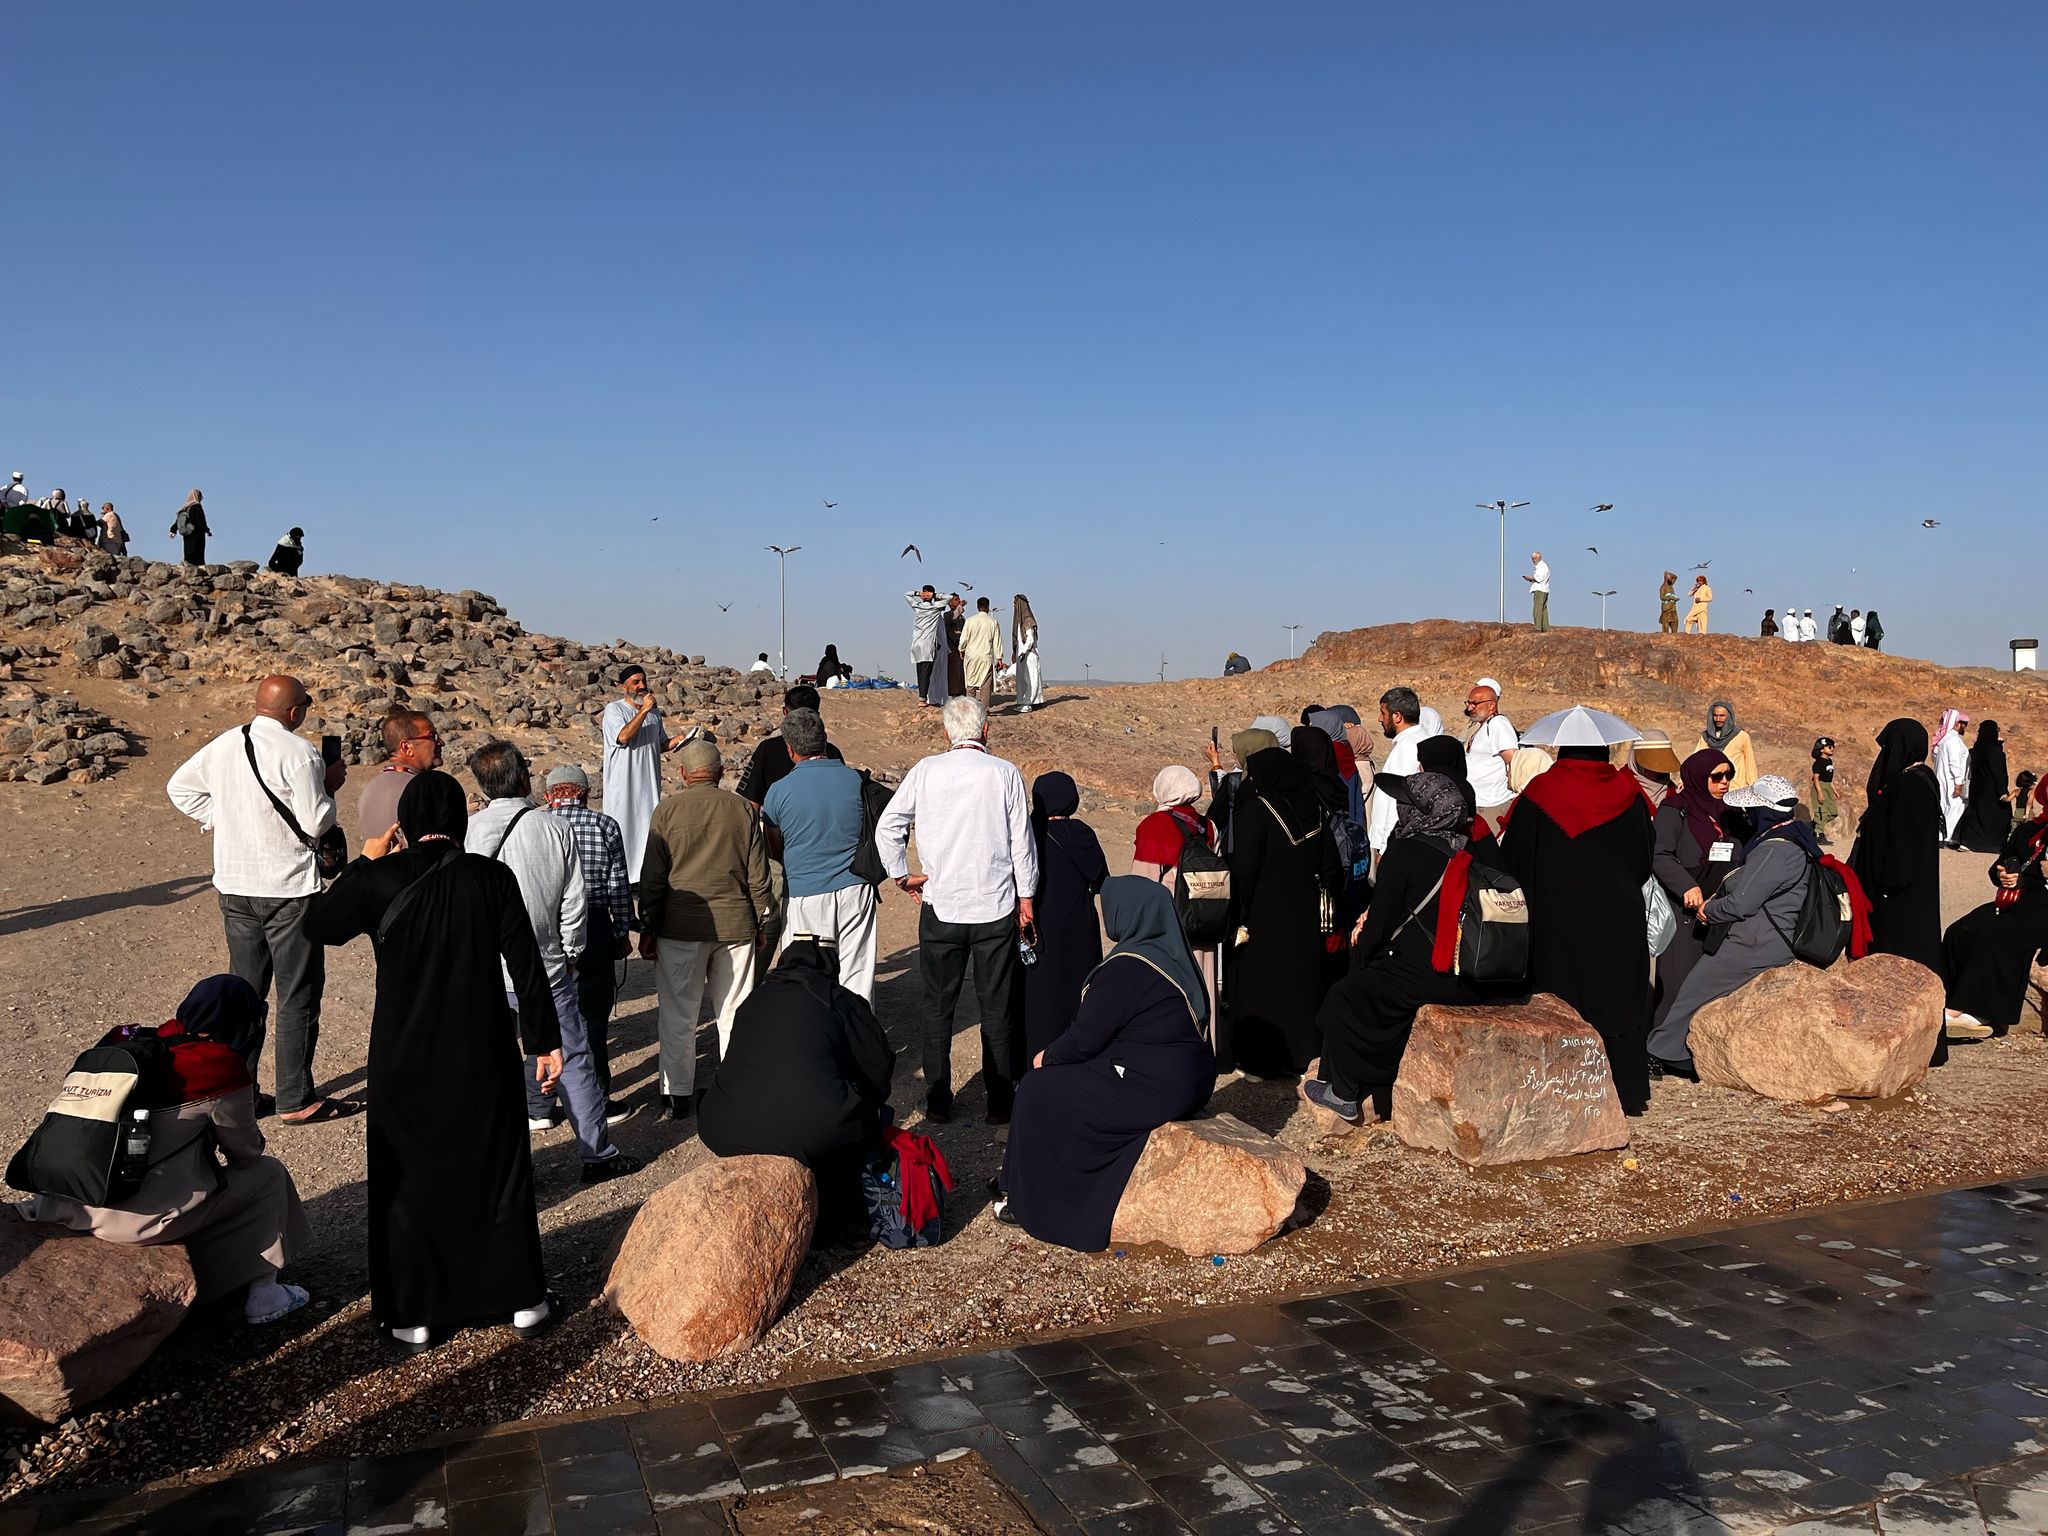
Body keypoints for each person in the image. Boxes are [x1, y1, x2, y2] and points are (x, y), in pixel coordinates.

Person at [305, 771, 568, 1347]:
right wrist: (544, 1042)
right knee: (496, 1168)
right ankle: (520, 1298)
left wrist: (367, 862)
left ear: (410, 822)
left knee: (409, 1176)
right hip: (484, 1047)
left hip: (404, 1052)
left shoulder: (380, 881)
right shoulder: (490, 877)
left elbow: (318, 925)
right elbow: (526, 965)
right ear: (458, 820)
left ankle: (414, 1312)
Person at [27, 975, 313, 1324]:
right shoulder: (216, 1065)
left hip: (63, 1198)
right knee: (267, 1175)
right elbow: (246, 1153)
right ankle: (263, 1294)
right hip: (129, 1223)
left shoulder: (129, 1043)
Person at [166, 675, 351, 1125]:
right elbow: (316, 822)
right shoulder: (300, 752)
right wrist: (328, 785)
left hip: (236, 884)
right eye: (304, 704)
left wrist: (224, 819)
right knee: (297, 994)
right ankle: (295, 1098)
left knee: (243, 995)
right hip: (287, 888)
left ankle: (238, 1095)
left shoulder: (225, 743)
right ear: (294, 712)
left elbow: (180, 789)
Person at [997, 878, 1214, 1253]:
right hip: (1190, 1078)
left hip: (1154, 1084)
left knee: (1037, 1088)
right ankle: (1016, 1175)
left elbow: (1083, 1039)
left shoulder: (1129, 968)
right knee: (1067, 1082)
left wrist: (1044, 1059)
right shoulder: (1171, 956)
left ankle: (1030, 1198)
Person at [466, 742, 637, 1178]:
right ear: (523, 778)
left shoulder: (470, 831)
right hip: (546, 967)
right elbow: (573, 903)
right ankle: (596, 1154)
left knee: (489, 1063)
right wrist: (571, 953)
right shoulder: (554, 829)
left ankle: (501, 1165)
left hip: (487, 972)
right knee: (572, 1056)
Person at [875, 696, 1036, 1122]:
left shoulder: (926, 770)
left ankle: (939, 1097)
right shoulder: (1005, 774)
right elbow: (1022, 842)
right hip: (994, 907)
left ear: (947, 733)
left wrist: (900, 874)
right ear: (986, 730)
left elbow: (888, 825)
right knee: (996, 1007)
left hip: (942, 906)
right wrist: (1027, 897)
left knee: (938, 1005)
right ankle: (1000, 1102)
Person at [1303, 772, 1484, 1122]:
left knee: (1346, 994)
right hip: (1464, 972)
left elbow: (1381, 924)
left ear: (1422, 811)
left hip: (1424, 970)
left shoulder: (1407, 850)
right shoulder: (1465, 847)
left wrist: (1363, 953)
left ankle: (1344, 1093)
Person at [698, 937, 895, 1242]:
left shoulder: (753, 1000)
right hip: (809, 1131)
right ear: (831, 968)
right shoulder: (839, 999)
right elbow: (879, 1068)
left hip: (723, 1127)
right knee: (857, 1124)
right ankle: (832, 1219)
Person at [1503, 738, 1655, 1114]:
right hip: (1617, 912)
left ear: (1563, 751)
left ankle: (1566, 1088)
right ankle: (1625, 1091)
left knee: (1563, 994)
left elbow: (1515, 858)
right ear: (1603, 752)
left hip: (1556, 912)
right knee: (1616, 994)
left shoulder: (1541, 792)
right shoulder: (1628, 793)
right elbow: (1643, 860)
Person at [639, 739, 774, 1117]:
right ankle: (736, 1091)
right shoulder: (742, 810)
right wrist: (760, 918)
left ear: (682, 774)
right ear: (721, 773)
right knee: (734, 1012)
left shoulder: (666, 811)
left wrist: (648, 924)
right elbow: (758, 875)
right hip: (735, 924)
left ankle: (676, 1096)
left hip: (678, 927)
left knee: (678, 1015)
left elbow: (653, 879)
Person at [1654, 777, 1817, 1074]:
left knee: (1694, 988)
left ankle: (1661, 1050)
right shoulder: (1795, 836)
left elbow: (1742, 903)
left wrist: (1708, 911)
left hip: (1755, 943)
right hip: (1769, 936)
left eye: (1751, 809)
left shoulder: (1774, 850)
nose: (1746, 815)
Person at [1224, 742, 1340, 1078]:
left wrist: (1238, 913)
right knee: (1302, 981)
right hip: (1303, 912)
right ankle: (1303, 1054)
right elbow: (1331, 866)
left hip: (1265, 911)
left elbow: (1245, 869)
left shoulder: (1258, 810)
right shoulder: (1314, 809)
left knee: (1263, 984)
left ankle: (1260, 1060)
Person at [761, 708, 878, 1001]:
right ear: (824, 741)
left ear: (790, 749)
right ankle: (858, 1039)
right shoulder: (855, 780)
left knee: (805, 976)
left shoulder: (778, 791)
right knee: (857, 974)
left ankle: (811, 1039)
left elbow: (774, 848)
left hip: (804, 893)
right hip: (856, 887)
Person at [541, 764, 633, 1120]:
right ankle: (597, 1099)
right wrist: (622, 931)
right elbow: (618, 886)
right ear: (586, 794)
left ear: (550, 795)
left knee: (546, 1012)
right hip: (592, 922)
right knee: (593, 1013)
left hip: (545, 924)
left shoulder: (538, 823)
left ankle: (543, 1103)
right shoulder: (605, 825)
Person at [1645, 749, 1746, 1060]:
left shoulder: (1731, 812)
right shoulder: (1675, 809)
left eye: (1728, 775)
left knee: (1710, 982)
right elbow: (1659, 854)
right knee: (1677, 980)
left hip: (1720, 903)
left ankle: (1700, 1051)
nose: (1725, 782)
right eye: (1717, 777)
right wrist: (1686, 886)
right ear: (1699, 777)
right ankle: (1659, 1049)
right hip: (1685, 905)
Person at [1941, 778, 2048, 1038]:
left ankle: (1979, 1012)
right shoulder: (2029, 831)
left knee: (1998, 936)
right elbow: (2002, 862)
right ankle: (1946, 997)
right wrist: (2004, 874)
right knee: (1961, 930)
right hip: (2020, 900)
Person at [1022, 771, 1108, 1060]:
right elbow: (1100, 878)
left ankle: (1035, 1058)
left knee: (1038, 994)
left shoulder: (1027, 833)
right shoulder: (1082, 834)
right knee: (1078, 989)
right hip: (1077, 923)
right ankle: (1077, 1053)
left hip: (1036, 923)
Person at [1850, 719, 1944, 973]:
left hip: (1895, 893)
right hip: (1900, 887)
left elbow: (1904, 842)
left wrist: (1888, 882)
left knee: (1895, 952)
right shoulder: (1916, 779)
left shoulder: (1909, 786)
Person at [1132, 765, 1217, 1031]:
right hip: (1204, 913)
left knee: (1168, 985)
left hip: (1168, 918)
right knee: (1203, 981)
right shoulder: (1208, 825)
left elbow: (1142, 884)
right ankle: (1206, 1047)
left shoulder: (1154, 825)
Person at [599, 664, 687, 884]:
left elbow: (658, 744)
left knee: (648, 829)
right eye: (635, 682)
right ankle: (622, 880)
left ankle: (644, 878)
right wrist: (645, 710)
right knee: (624, 829)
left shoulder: (654, 713)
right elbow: (624, 737)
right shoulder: (615, 710)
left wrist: (676, 742)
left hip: (648, 785)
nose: (642, 686)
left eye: (643, 681)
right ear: (623, 687)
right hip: (623, 786)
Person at [737, 684, 845, 805]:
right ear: (817, 715)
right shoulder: (832, 752)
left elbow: (751, 801)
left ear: (785, 712)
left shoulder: (768, 749)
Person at [356, 710, 441, 848]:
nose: (440, 742)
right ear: (407, 747)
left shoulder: (370, 787)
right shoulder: (421, 789)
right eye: (433, 736)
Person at [1366, 686, 1427, 860]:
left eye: (1383, 713)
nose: (1380, 719)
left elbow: (1396, 800)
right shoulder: (1415, 741)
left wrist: (1385, 847)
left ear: (1397, 717)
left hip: (1396, 843)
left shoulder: (1408, 747)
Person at [1462, 678, 1518, 824]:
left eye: (1475, 703)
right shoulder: (1483, 725)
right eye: (1468, 703)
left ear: (1492, 705)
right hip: (1479, 803)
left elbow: (1512, 759)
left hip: (1492, 805)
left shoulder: (1498, 724)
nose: (1470, 708)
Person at [1955, 720, 2010, 854]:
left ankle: (1970, 843)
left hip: (1977, 788)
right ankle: (1993, 845)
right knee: (1999, 815)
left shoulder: (1975, 750)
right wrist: (2002, 791)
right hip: (1992, 791)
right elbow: (1999, 773)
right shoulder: (1995, 752)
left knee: (1976, 814)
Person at [1696, 700, 1759, 789]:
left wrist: (1753, 786)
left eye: (1721, 716)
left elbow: (1750, 763)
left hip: (1736, 787)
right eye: (1715, 716)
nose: (1718, 719)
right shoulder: (1707, 737)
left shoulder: (1741, 736)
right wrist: (1683, 781)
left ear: (1729, 716)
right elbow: (1696, 761)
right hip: (1714, 787)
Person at [1933, 708, 1971, 848]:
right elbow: (1954, 763)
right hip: (1951, 781)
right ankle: (1946, 838)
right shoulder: (1953, 741)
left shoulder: (1944, 740)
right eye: (1963, 723)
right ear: (1956, 723)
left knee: (1945, 807)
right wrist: (1958, 782)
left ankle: (1940, 837)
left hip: (1943, 779)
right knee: (1955, 807)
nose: (1965, 727)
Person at [906, 585, 948, 706]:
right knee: (926, 672)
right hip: (927, 644)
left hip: (916, 644)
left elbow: (906, 595)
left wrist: (917, 593)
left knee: (920, 672)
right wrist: (934, 596)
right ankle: (923, 699)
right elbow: (948, 598)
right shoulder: (935, 608)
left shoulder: (917, 607)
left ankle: (922, 697)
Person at [960, 596, 1003, 709]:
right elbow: (997, 641)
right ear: (988, 607)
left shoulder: (970, 620)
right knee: (985, 686)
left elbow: (963, 639)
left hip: (971, 656)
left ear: (977, 607)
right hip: (986, 657)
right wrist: (999, 657)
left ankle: (970, 709)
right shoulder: (993, 622)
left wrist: (961, 649)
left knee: (970, 684)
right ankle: (984, 710)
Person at [1627, 733, 1682, 810]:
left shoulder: (1675, 794)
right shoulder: (1620, 787)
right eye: (1649, 763)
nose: (1656, 770)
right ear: (1635, 761)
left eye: (1662, 763)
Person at [1011, 593, 1044, 713]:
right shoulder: (1019, 622)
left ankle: (1028, 703)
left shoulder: (1028, 620)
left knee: (1031, 679)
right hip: (1021, 655)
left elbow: (1029, 639)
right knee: (1022, 680)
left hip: (1028, 654)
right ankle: (1023, 701)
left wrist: (1024, 652)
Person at [1810, 737, 1840, 847]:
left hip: (1827, 786)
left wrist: (1834, 791)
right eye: (1829, 747)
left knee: (1833, 812)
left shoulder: (1829, 762)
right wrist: (1820, 792)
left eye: (1833, 746)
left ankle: (1815, 826)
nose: (1832, 748)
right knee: (1821, 812)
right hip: (1820, 786)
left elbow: (1829, 779)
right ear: (1822, 749)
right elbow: (1816, 778)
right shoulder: (1818, 763)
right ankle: (1818, 835)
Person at [170, 489, 209, 565]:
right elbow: (200, 521)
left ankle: (187, 566)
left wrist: (173, 530)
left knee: (189, 554)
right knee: (198, 556)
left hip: (188, 534)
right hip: (196, 535)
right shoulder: (197, 506)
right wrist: (206, 530)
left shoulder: (186, 507)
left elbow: (179, 520)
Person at [944, 594, 968, 697]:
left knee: (962, 671)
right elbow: (953, 617)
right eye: (956, 600)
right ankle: (953, 693)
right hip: (952, 647)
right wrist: (960, 606)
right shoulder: (947, 615)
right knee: (953, 671)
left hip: (961, 648)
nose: (959, 601)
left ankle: (961, 692)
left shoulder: (962, 618)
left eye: (959, 599)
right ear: (950, 603)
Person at [1524, 551, 1551, 631]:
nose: (1533, 560)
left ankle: (1538, 628)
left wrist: (1530, 578)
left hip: (1540, 590)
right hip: (1544, 589)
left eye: (1535, 558)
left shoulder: (1541, 566)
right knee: (1543, 609)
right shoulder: (1543, 566)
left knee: (1537, 609)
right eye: (1532, 558)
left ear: (1540, 557)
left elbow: (1539, 578)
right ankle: (1545, 628)